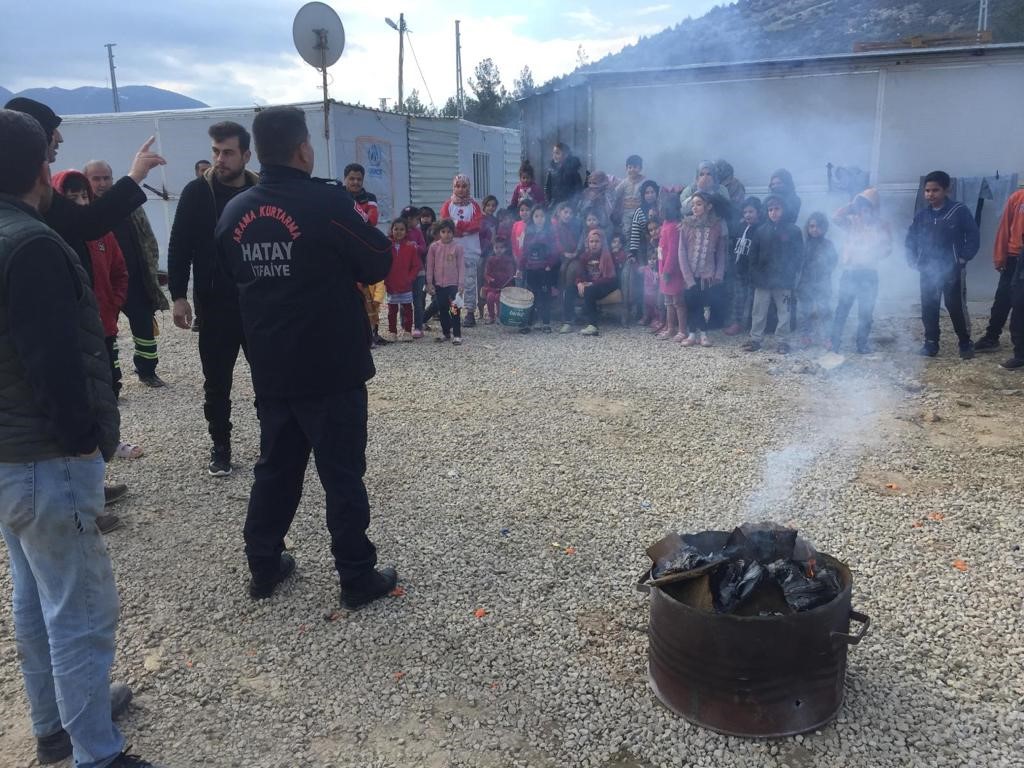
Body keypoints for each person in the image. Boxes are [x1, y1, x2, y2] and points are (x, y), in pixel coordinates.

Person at [0, 108, 163, 768]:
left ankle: (56, 728)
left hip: (9, 456)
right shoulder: (31, 244)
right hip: (45, 456)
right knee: (81, 611)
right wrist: (83, 443)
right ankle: (97, 752)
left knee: (35, 598)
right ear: (43, 169)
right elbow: (55, 363)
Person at [215, 106, 397, 607]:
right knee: (341, 475)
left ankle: (264, 566)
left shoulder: (234, 214)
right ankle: (356, 577)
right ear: (302, 149)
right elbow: (379, 257)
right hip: (331, 367)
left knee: (276, 468)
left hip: (273, 367)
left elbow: (231, 277)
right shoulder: (328, 204)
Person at [5, 96, 163, 508]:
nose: (59, 138)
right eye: (52, 130)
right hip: (35, 447)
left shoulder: (25, 210)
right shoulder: (29, 236)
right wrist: (82, 447)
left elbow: (88, 222)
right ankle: (79, 493)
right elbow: (50, 356)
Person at [168, 121, 259, 477]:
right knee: (217, 382)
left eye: (228, 152)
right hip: (214, 305)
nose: (219, 160)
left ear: (246, 155)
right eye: (215, 152)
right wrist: (177, 295)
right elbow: (179, 246)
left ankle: (276, 444)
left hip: (257, 306)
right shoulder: (196, 193)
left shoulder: (261, 192)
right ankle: (220, 447)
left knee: (269, 380)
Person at [53, 171, 142, 473]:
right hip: (74, 332)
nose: (79, 202)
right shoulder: (56, 237)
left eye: (83, 196)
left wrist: (113, 304)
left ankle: (108, 442)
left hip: (103, 326)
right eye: (71, 198)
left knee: (109, 385)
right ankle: (91, 472)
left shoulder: (102, 235)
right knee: (81, 396)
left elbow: (120, 272)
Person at [85, 160, 170, 388]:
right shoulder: (84, 212)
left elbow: (147, 238)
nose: (103, 183)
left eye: (107, 178)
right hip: (102, 284)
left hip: (133, 278)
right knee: (105, 333)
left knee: (144, 326)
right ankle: (111, 380)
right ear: (86, 180)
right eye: (97, 178)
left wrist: (151, 270)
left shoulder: (127, 204)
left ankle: (147, 370)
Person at [905, 170, 979, 359]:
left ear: (947, 190)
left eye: (935, 190)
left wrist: (963, 258)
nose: (930, 194)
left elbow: (973, 235)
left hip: (952, 269)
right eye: (927, 190)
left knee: (955, 305)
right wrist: (912, 259)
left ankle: (964, 341)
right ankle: (931, 343)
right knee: (929, 305)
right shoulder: (922, 215)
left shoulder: (959, 211)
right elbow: (911, 238)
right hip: (928, 269)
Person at [829, 190, 891, 354]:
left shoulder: (882, 225)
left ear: (874, 209)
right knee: (842, 309)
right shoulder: (851, 222)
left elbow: (887, 249)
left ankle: (862, 344)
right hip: (849, 273)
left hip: (869, 274)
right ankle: (834, 343)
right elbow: (835, 218)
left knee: (865, 312)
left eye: (868, 207)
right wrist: (851, 206)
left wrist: (875, 251)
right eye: (861, 207)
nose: (864, 211)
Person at [743, 195, 804, 353]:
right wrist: (754, 274)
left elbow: (799, 255)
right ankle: (755, 339)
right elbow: (753, 256)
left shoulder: (794, 231)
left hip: (784, 280)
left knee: (784, 312)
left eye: (777, 209)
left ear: (784, 210)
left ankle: (783, 341)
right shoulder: (761, 231)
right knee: (758, 311)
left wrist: (792, 273)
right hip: (763, 280)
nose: (773, 212)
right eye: (770, 209)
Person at [974, 187, 1024, 353]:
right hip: (1014, 257)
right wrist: (999, 257)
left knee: (1020, 303)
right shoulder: (1017, 197)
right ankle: (991, 337)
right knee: (1002, 299)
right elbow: (1004, 228)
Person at [679, 192, 728, 348]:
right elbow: (682, 251)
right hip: (690, 273)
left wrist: (719, 273)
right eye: (693, 204)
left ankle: (704, 334)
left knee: (702, 303)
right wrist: (687, 276)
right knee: (692, 303)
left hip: (707, 274)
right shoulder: (686, 224)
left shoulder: (716, 226)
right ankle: (693, 334)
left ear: (708, 207)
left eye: (699, 204)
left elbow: (721, 252)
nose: (695, 207)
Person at [439, 174, 483, 327]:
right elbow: (446, 224)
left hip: (470, 251)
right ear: (453, 187)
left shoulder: (474, 206)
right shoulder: (448, 205)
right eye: (458, 186)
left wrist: (458, 225)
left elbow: (477, 224)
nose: (461, 189)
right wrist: (463, 227)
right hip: (452, 251)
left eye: (464, 186)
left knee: (470, 283)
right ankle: (454, 312)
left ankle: (470, 313)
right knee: (453, 284)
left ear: (468, 187)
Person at [798, 212, 839, 347]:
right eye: (812, 226)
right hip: (805, 283)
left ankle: (828, 337)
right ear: (808, 228)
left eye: (818, 226)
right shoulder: (803, 244)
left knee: (825, 310)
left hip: (823, 283)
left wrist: (825, 272)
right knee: (805, 311)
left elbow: (834, 261)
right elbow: (798, 263)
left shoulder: (828, 244)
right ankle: (806, 336)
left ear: (824, 228)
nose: (815, 229)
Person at [517, 204, 558, 333]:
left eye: (541, 216)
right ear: (532, 217)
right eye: (536, 216)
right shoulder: (528, 233)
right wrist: (520, 268)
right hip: (530, 269)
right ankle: (528, 323)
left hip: (544, 270)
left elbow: (554, 252)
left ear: (546, 218)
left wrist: (549, 265)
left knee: (545, 295)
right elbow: (524, 252)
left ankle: (546, 323)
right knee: (530, 296)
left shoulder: (550, 233)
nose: (539, 219)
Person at [725, 197, 761, 336]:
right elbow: (734, 246)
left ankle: (751, 325)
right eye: (745, 212)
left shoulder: (761, 229)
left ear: (758, 212)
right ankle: (737, 323)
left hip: (753, 271)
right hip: (739, 270)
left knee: (753, 300)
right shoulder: (740, 227)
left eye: (751, 211)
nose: (747, 215)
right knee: (738, 298)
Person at [426, 219, 465, 344]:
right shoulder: (434, 247)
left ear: (453, 233)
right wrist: (429, 282)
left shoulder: (457, 247)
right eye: (443, 232)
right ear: (439, 232)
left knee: (454, 309)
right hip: (439, 285)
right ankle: (446, 333)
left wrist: (461, 284)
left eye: (449, 232)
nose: (446, 234)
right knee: (442, 309)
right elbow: (430, 266)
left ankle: (457, 335)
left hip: (453, 284)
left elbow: (461, 266)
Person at [575, 229, 619, 337]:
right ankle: (568, 321)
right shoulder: (584, 257)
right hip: (590, 284)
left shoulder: (609, 255)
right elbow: (579, 273)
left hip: (607, 284)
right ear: (588, 243)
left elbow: (611, 278)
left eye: (597, 241)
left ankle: (593, 325)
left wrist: (592, 283)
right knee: (569, 289)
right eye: (591, 241)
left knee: (590, 291)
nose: (594, 244)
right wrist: (579, 282)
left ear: (602, 242)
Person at [384, 219, 421, 341]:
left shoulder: (411, 247)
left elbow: (416, 265)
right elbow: (382, 263)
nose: (398, 232)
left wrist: (409, 278)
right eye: (396, 229)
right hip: (391, 283)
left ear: (406, 231)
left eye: (401, 229)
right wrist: (385, 279)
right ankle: (392, 331)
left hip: (406, 284)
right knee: (392, 310)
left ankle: (407, 331)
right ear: (391, 230)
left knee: (407, 309)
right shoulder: (386, 246)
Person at [656, 193, 686, 341]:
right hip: (663, 267)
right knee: (668, 301)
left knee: (678, 302)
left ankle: (681, 329)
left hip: (673, 271)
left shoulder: (674, 226)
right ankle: (670, 327)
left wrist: (667, 270)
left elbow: (673, 252)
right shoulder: (665, 224)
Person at [483, 235, 516, 323]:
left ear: (505, 249)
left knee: (498, 298)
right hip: (492, 286)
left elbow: (511, 274)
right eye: (496, 247)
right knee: (490, 297)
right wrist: (489, 279)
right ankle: (491, 316)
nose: (499, 250)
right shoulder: (490, 260)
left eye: (501, 247)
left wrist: (506, 282)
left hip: (504, 287)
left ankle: (499, 316)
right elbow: (486, 273)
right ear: (493, 248)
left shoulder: (508, 260)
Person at [613, 154, 645, 237]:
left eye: (635, 167)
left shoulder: (644, 182)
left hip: (639, 212)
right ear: (626, 169)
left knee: (639, 232)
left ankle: (638, 248)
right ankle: (627, 248)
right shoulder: (624, 182)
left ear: (640, 168)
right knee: (626, 231)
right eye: (629, 167)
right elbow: (615, 194)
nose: (632, 170)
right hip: (626, 213)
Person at [543, 142, 583, 209]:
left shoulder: (573, 171)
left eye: (557, 153)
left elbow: (578, 190)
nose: (554, 156)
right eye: (553, 153)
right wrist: (549, 202)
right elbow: (547, 188)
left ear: (566, 155)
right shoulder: (551, 170)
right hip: (554, 205)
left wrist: (573, 204)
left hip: (568, 206)